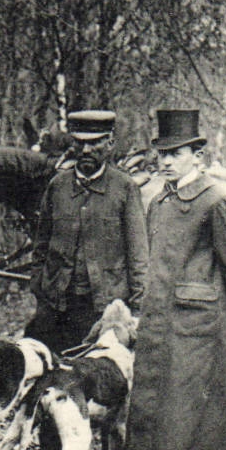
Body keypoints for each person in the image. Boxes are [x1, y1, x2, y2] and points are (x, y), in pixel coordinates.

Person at [127, 110, 226, 450]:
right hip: (165, 318)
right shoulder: (161, 199)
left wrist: (223, 313)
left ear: (197, 155)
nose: (166, 161)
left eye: (176, 153)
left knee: (215, 405)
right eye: (162, 153)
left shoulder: (217, 200)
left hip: (205, 322)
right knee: (169, 402)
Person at [26, 109, 148, 354]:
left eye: (94, 143)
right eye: (79, 143)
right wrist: (40, 288)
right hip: (56, 308)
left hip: (102, 311)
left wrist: (137, 310)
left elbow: (138, 256)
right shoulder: (57, 186)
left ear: (110, 143)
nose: (86, 151)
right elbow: (40, 247)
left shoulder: (124, 188)